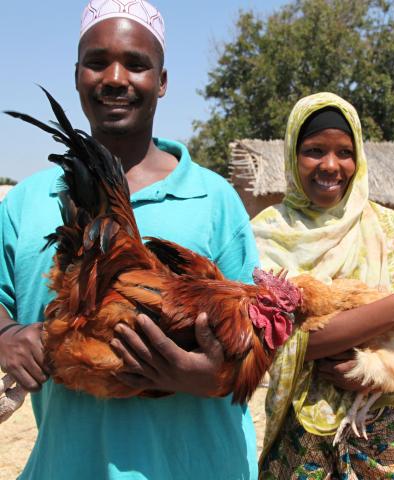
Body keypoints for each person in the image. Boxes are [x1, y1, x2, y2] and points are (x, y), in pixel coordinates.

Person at [0, 1, 259, 478]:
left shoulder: (214, 199)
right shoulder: (24, 204)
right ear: (77, 75)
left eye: (137, 64)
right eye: (97, 61)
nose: (115, 77)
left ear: (161, 81)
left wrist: (212, 375)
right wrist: (6, 334)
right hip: (70, 467)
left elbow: (258, 336)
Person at [251, 92, 394, 479]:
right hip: (300, 444)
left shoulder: (390, 229)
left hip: (391, 440)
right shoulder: (264, 235)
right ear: (292, 155)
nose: (331, 165)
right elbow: (277, 341)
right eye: (315, 150)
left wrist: (384, 373)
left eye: (344, 152)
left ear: (359, 158)